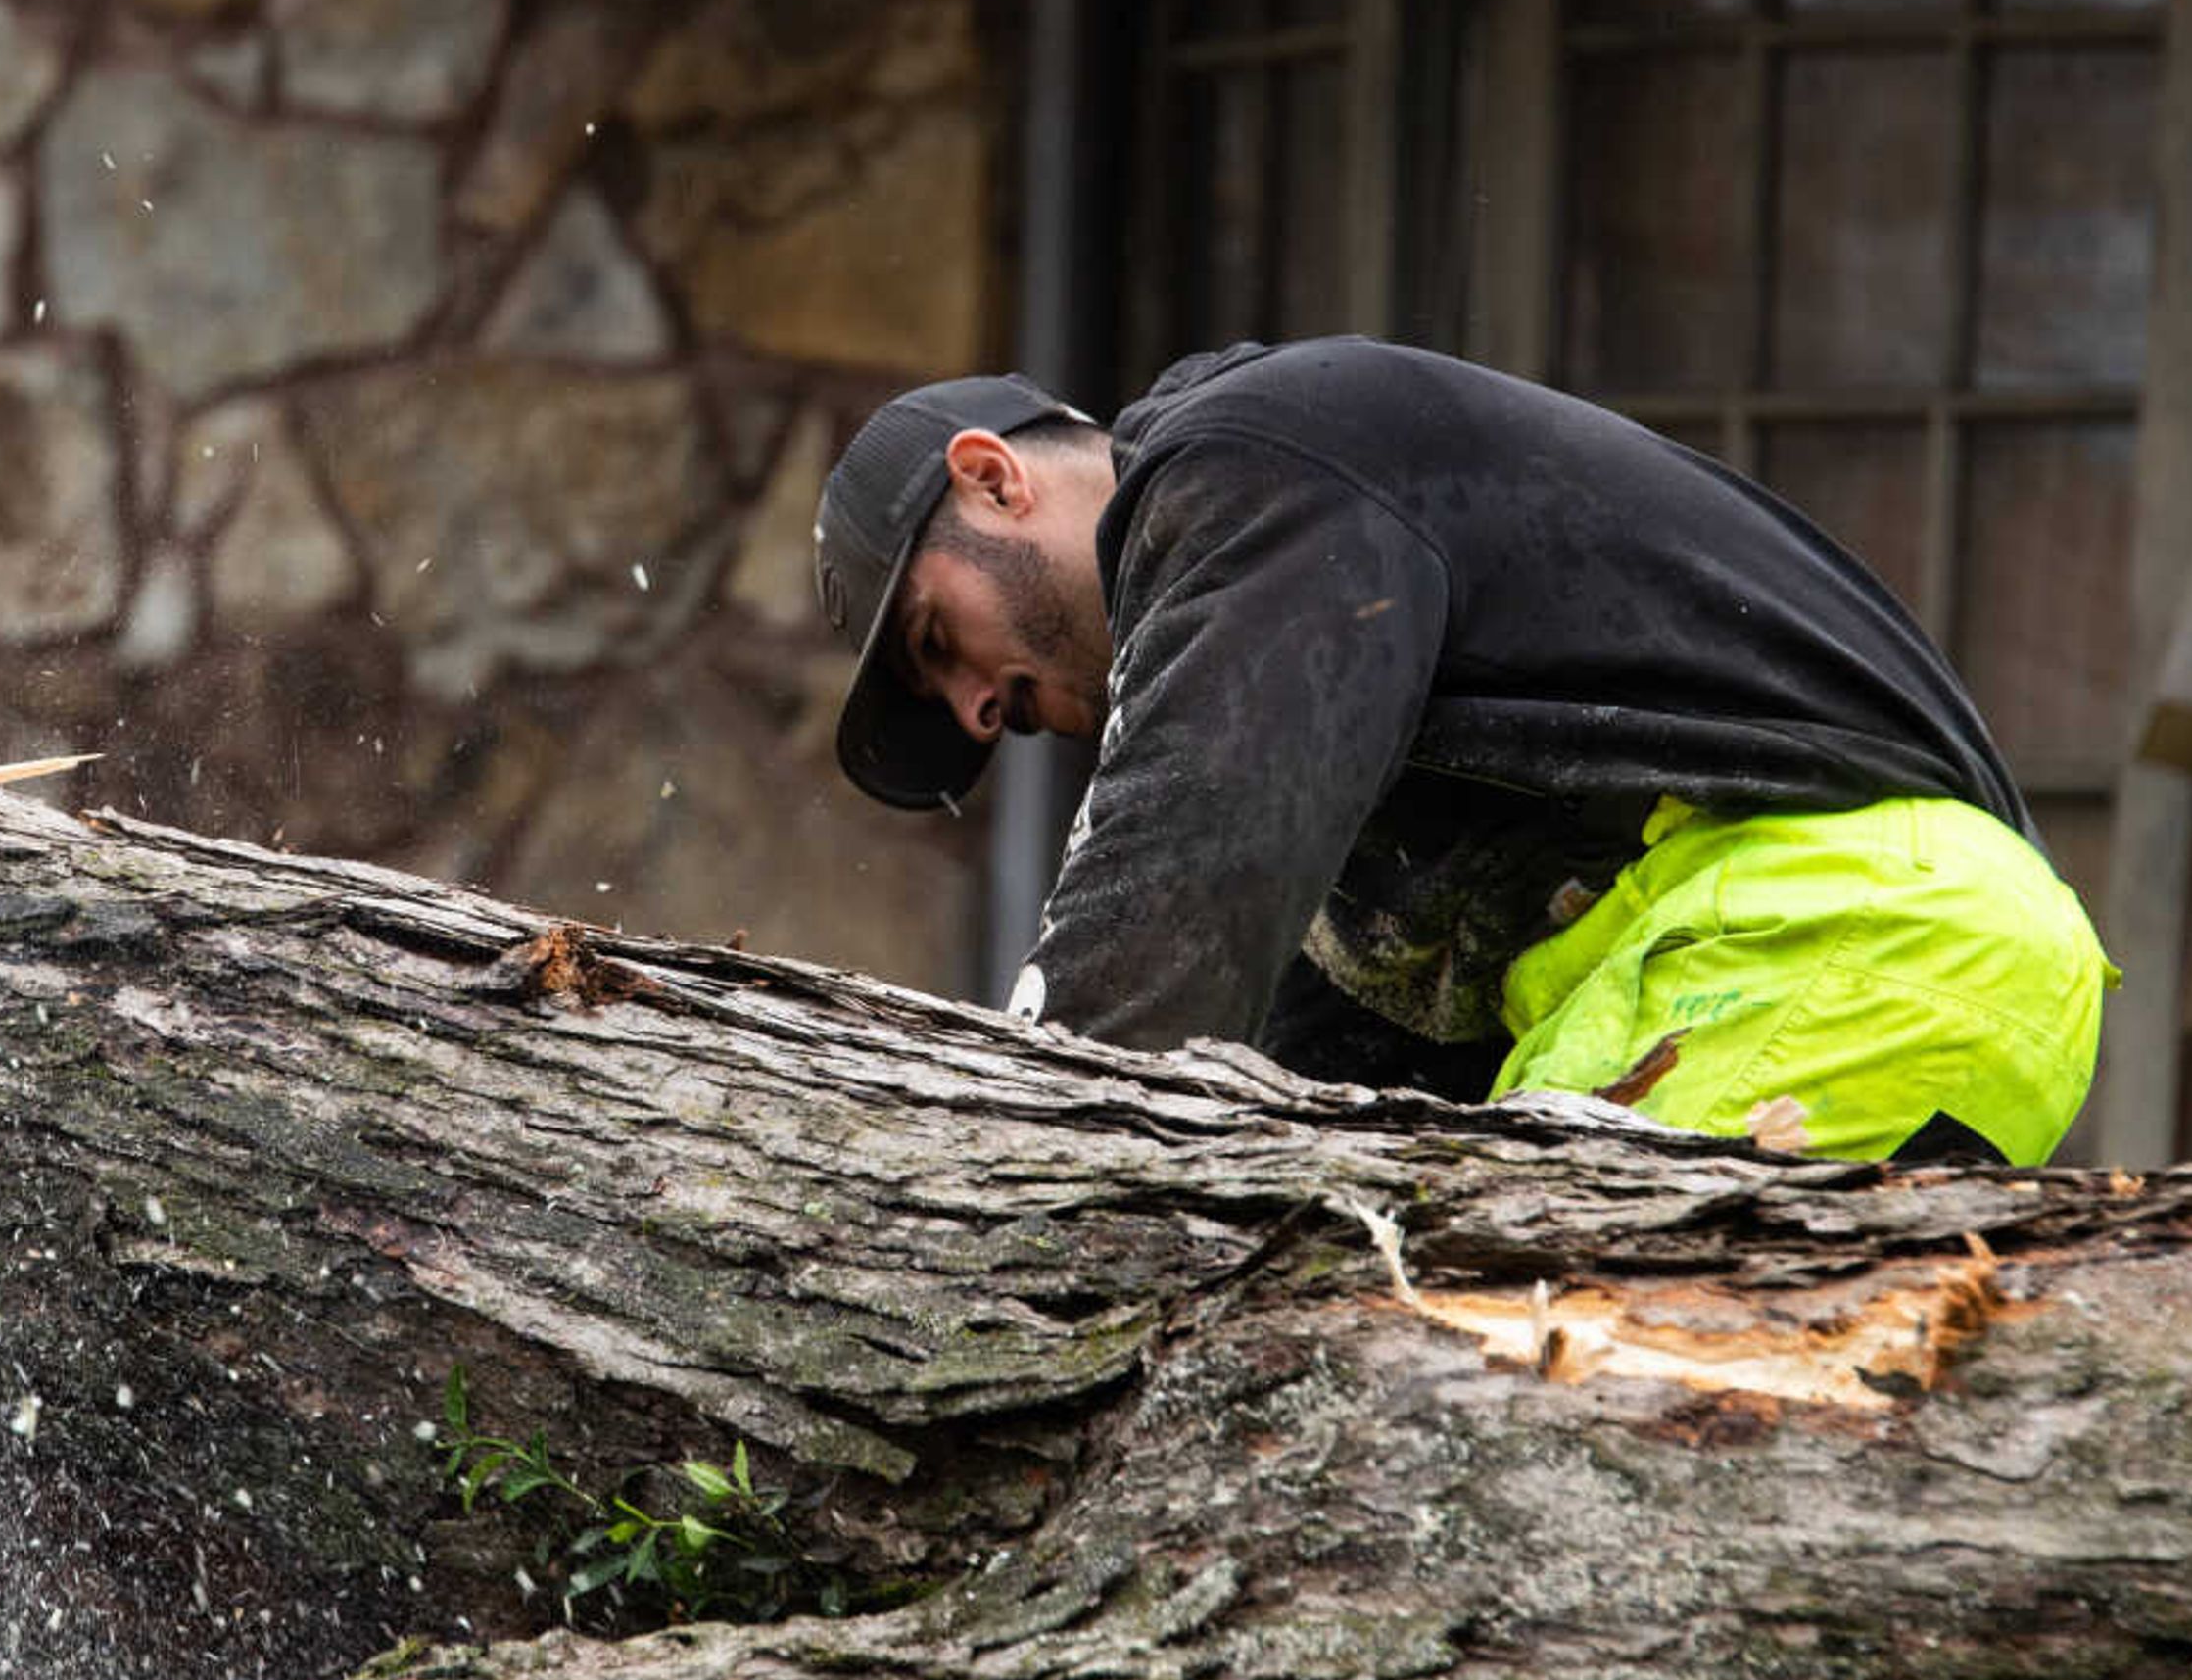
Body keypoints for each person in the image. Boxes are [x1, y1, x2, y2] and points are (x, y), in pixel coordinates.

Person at [816, 339, 2114, 1167]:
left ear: (992, 476)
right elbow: (1308, 1079)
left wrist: (994, 1164)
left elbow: (1153, 943)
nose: (979, 711)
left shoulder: (1249, 465)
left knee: (1508, 1355)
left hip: (1830, 937)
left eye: (942, 640)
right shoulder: (1322, 686)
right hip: (1924, 977)